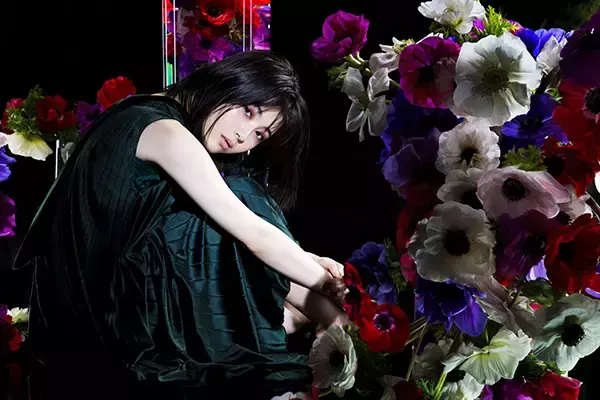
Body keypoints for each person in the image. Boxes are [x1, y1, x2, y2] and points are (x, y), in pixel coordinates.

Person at [12, 51, 350, 400]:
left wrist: (304, 262)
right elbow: (253, 234)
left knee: (225, 211)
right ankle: (321, 316)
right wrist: (327, 285)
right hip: (104, 316)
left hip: (89, 303)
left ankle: (302, 314)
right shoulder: (165, 131)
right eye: (249, 111)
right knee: (240, 197)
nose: (242, 136)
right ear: (227, 83)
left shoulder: (146, 111)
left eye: (259, 135)